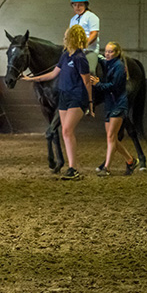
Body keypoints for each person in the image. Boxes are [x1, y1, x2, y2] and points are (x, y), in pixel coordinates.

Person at [21, 25, 94, 180]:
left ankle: (73, 168)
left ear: (73, 38)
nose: (64, 38)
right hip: (64, 97)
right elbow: (53, 74)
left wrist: (89, 103)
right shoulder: (65, 56)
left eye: (67, 36)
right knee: (66, 133)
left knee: (67, 130)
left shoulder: (80, 58)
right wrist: (31, 78)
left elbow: (87, 82)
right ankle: (72, 167)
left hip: (76, 97)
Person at [91, 42, 139, 176]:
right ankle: (130, 160)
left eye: (110, 52)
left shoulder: (119, 66)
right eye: (106, 51)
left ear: (117, 53)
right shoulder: (108, 63)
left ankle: (106, 168)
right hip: (110, 104)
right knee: (111, 138)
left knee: (111, 136)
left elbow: (114, 86)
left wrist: (98, 84)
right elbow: (100, 58)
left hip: (118, 104)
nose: (107, 54)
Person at [69, 0, 100, 74]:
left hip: (89, 50)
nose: (77, 7)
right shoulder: (73, 19)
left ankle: (93, 86)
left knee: (90, 71)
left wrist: (83, 45)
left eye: (80, 5)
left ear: (86, 5)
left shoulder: (92, 17)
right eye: (75, 5)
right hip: (75, 51)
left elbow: (94, 34)